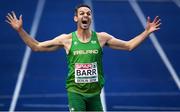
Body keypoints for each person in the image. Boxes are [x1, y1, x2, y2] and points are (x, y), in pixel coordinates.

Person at [6, 4, 161, 111]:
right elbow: (36, 46)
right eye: (82, 13)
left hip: (95, 94)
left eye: (88, 13)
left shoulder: (101, 38)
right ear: (76, 18)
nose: (85, 15)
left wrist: (146, 32)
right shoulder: (66, 40)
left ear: (91, 18)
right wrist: (20, 30)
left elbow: (129, 46)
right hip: (75, 92)